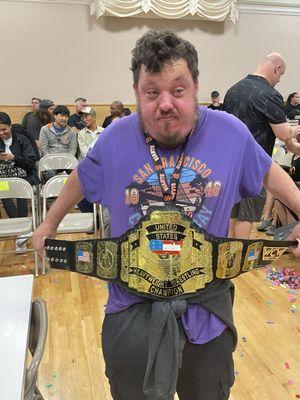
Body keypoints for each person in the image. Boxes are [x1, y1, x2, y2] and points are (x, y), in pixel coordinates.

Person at [33, 30, 300, 400]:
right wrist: (48, 224)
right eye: (152, 91)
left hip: (206, 312)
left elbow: (270, 172)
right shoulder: (114, 138)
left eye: (178, 90)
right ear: (136, 92)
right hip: (132, 309)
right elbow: (81, 175)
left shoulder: (230, 133)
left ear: (195, 88)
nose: (165, 104)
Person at [223, 53, 300, 239]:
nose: (279, 81)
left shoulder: (233, 89)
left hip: (229, 162)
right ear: (277, 69)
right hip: (252, 164)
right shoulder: (269, 94)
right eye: (281, 76)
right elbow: (282, 133)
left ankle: (227, 257)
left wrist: (294, 146)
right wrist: (295, 129)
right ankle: (238, 261)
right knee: (246, 215)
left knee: (232, 213)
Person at [0, 112, 39, 253]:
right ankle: (21, 232)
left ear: (10, 126)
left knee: (20, 187)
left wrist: (13, 158)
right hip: (4, 179)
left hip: (24, 176)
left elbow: (31, 163)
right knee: (3, 190)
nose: (1, 133)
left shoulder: (22, 139)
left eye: (4, 129)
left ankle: (20, 232)